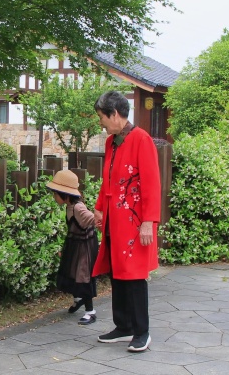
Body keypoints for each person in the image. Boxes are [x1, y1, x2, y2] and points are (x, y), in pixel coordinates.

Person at [91, 91, 161, 352]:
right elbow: (107, 178)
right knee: (117, 272)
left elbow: (153, 184)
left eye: (102, 117)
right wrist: (99, 208)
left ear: (115, 114)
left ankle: (141, 331)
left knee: (134, 275)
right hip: (113, 219)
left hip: (134, 221)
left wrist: (148, 222)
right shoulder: (112, 142)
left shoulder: (142, 140)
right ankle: (123, 326)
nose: (101, 123)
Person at [47, 169, 99, 325]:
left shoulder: (78, 207)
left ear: (65, 194)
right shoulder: (69, 206)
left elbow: (93, 219)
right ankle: (78, 299)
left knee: (83, 276)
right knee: (70, 272)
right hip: (75, 243)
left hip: (85, 246)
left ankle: (91, 312)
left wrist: (101, 219)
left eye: (55, 193)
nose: (54, 197)